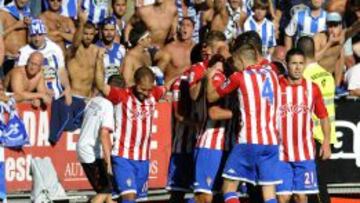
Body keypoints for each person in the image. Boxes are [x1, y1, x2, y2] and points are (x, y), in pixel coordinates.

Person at [207, 43, 281, 203]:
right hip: (272, 143)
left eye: (234, 62)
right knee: (269, 193)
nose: (234, 66)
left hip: (249, 141)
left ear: (240, 59)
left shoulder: (238, 77)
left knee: (228, 187)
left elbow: (211, 97)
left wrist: (209, 76)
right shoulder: (272, 73)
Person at [96, 65, 173, 203]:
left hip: (143, 159)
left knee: (134, 200)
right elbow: (101, 85)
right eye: (142, 89)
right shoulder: (122, 95)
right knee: (129, 198)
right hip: (123, 157)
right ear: (135, 83)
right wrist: (98, 60)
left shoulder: (154, 94)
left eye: (149, 89)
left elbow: (167, 85)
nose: (146, 93)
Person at [276, 48, 331, 203]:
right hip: (281, 153)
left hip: (305, 154)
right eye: (294, 63)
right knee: (283, 197)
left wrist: (326, 142)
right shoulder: (276, 85)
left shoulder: (312, 88)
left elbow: (324, 116)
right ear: (286, 64)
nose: (298, 67)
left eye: (301, 63)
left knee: (301, 197)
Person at [297, 36, 336, 203]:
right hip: (327, 135)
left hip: (313, 137)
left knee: (315, 188)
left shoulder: (303, 77)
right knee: (319, 184)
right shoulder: (327, 74)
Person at [77, 74, 125, 203]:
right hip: (90, 151)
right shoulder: (108, 106)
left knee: (109, 194)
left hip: (88, 148)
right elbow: (104, 135)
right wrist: (109, 162)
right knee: (105, 190)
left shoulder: (94, 100)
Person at [314, 12, 360, 94]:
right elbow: (314, 59)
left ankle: (337, 86)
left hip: (330, 77)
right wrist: (329, 44)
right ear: (326, 26)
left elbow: (354, 28)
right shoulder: (319, 37)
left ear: (341, 26)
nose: (332, 29)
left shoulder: (342, 36)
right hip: (315, 77)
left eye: (335, 26)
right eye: (330, 26)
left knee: (341, 51)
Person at [122, 22, 170, 87]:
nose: (150, 40)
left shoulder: (147, 53)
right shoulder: (129, 58)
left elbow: (165, 56)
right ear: (140, 41)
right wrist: (144, 85)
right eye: (148, 37)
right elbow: (126, 82)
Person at [67, 9, 100, 98]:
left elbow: (98, 75)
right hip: (74, 95)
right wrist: (81, 23)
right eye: (85, 34)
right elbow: (75, 43)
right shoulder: (73, 49)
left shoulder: (96, 50)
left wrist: (95, 93)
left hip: (89, 97)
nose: (88, 37)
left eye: (91, 34)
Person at [0, 0, 31, 75]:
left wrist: (30, 27)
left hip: (23, 59)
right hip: (7, 59)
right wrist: (15, 26)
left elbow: (31, 41)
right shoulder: (3, 13)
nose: (23, 1)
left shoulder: (28, 14)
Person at [163, 17, 195, 83]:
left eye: (188, 25)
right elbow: (159, 72)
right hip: (170, 89)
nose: (184, 27)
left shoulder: (197, 48)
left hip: (189, 90)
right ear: (179, 29)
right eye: (182, 25)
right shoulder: (169, 48)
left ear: (193, 30)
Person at [96, 17, 126, 83]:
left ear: (115, 31)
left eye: (112, 30)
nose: (109, 33)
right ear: (101, 31)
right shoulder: (95, 48)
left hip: (116, 87)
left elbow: (122, 72)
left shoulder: (121, 49)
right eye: (106, 30)